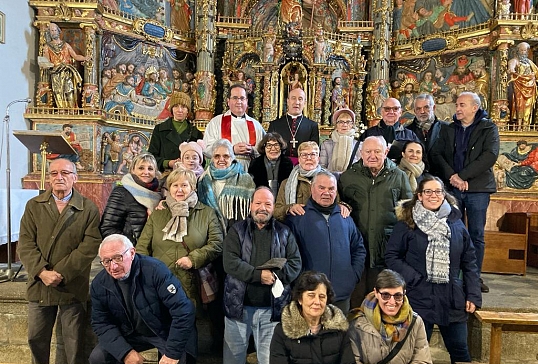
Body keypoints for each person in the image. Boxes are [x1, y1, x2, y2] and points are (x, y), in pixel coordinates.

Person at [385, 176, 481, 363]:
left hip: (452, 297)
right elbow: (392, 257)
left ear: (444, 194)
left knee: (460, 350)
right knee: (416, 353)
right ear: (419, 196)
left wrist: (473, 294)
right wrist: (414, 278)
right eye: (428, 191)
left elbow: (469, 261)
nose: (433, 195)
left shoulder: (456, 222)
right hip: (418, 296)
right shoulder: (407, 223)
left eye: (438, 191)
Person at [18, 158, 101, 364]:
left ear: (75, 177)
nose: (59, 177)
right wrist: (42, 272)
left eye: (65, 173)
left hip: (71, 285)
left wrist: (60, 273)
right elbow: (25, 243)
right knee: (36, 338)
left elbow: (89, 245)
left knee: (73, 343)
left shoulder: (88, 208)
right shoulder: (34, 206)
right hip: (40, 284)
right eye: (54, 173)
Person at [222, 187, 302, 364]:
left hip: (271, 312)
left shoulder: (285, 232)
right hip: (238, 309)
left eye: (268, 204)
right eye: (258, 203)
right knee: (233, 360)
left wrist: (275, 277)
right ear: (251, 205)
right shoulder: (236, 231)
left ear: (274, 207)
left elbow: (295, 263)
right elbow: (230, 263)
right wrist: (258, 276)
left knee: (269, 360)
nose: (262, 208)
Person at [89, 234, 197, 364]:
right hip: (129, 333)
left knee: (179, 360)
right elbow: (102, 324)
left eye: (118, 258)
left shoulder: (155, 271)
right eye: (106, 261)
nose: (113, 267)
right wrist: (125, 352)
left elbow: (183, 311)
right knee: (98, 358)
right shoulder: (99, 284)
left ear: (132, 253)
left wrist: (172, 354)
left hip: (163, 330)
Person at [431, 91, 499, 293]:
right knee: (453, 232)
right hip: (453, 188)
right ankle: (453, 275)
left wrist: (464, 177)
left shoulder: (488, 128)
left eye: (462, 105)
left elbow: (490, 155)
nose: (457, 109)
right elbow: (437, 153)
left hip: (477, 188)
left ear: (474, 107)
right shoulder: (449, 129)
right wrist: (453, 176)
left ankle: (474, 277)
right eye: (457, 105)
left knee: (476, 233)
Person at [339, 136, 412, 307]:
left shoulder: (399, 176)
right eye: (368, 151)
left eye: (377, 151)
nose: (373, 155)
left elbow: (409, 211)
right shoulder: (348, 177)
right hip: (357, 249)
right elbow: (340, 205)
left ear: (385, 152)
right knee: (357, 299)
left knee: (384, 297)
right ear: (361, 153)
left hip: (386, 248)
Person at [137, 168, 223, 307]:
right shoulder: (158, 213)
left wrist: (193, 259)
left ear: (193, 188)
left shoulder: (206, 213)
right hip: (160, 281)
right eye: (175, 185)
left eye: (184, 185)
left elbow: (217, 244)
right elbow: (142, 247)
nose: (179, 190)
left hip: (192, 284)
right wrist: (147, 274)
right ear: (169, 188)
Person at [286, 171, 366, 313]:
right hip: (309, 296)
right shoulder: (297, 218)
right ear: (312, 188)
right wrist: (299, 282)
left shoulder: (345, 217)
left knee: (339, 335)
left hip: (341, 296)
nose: (326, 193)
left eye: (331, 189)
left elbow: (358, 248)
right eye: (321, 188)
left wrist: (352, 276)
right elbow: (289, 256)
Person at [348, 269, 432, 364]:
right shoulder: (357, 323)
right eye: (385, 295)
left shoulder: (415, 322)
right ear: (376, 292)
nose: (392, 302)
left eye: (398, 296)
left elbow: (422, 360)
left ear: (404, 294)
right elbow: (353, 360)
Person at [270, 271, 355, 364]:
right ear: (300, 299)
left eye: (322, 296)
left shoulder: (340, 328)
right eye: (311, 295)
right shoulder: (282, 331)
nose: (317, 302)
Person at [274, 141, 351, 222]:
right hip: (296, 229)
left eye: (313, 155)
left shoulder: (330, 180)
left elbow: (337, 203)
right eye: (304, 155)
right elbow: (276, 212)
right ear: (299, 159)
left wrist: (343, 206)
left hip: (323, 227)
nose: (309, 158)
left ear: (318, 159)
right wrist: (289, 208)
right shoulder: (286, 183)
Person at [100, 152, 162, 245]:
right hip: (133, 252)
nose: (146, 172)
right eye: (141, 168)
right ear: (133, 170)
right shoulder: (122, 192)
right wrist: (131, 246)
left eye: (150, 169)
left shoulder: (159, 195)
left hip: (155, 250)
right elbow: (107, 228)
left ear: (155, 172)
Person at [198, 138, 256, 231]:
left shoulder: (246, 179)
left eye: (226, 156)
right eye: (217, 156)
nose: (221, 159)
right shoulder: (203, 179)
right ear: (212, 159)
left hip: (237, 232)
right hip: (210, 231)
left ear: (232, 158)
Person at [203, 84, 266, 171]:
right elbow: (206, 148)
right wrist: (231, 149)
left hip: (249, 170)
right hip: (223, 170)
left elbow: (264, 150)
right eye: (235, 98)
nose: (239, 101)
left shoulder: (256, 125)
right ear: (228, 101)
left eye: (242, 98)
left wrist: (252, 150)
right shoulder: (216, 122)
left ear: (246, 101)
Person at [148, 91, 203, 172]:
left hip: (188, 178)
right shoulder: (160, 129)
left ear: (188, 110)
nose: (179, 110)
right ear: (171, 109)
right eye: (176, 106)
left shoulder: (195, 133)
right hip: (165, 176)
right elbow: (151, 157)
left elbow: (202, 161)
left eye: (183, 107)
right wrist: (168, 163)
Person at [40, 23, 87, 108]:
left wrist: (85, 58)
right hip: (56, 72)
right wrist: (45, 63)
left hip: (66, 72)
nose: (54, 32)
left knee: (69, 90)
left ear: (58, 31)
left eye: (55, 30)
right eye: (52, 31)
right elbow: (46, 59)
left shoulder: (65, 45)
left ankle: (72, 109)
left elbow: (75, 56)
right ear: (50, 33)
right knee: (58, 91)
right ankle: (61, 109)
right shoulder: (47, 46)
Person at [268, 88, 320, 164]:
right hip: (279, 166)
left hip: (304, 166)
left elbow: (314, 152)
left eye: (300, 99)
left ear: (305, 103)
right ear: (288, 101)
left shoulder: (312, 126)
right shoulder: (275, 125)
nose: (297, 102)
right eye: (293, 98)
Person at [405, 94, 446, 175]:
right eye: (418, 109)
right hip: (417, 178)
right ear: (414, 111)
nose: (422, 111)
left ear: (433, 108)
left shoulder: (447, 128)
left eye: (426, 107)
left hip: (443, 178)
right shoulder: (406, 131)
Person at [248, 132, 294, 197]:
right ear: (264, 148)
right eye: (269, 145)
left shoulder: (288, 163)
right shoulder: (255, 163)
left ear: (281, 146)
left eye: (276, 145)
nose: (273, 149)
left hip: (283, 200)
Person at [320, 108, 359, 179]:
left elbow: (361, 168)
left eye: (348, 122)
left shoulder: (359, 145)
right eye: (341, 122)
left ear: (352, 125)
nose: (344, 125)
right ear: (336, 125)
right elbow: (322, 167)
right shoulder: (326, 144)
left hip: (352, 181)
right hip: (330, 180)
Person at [508, 42, 538, 129]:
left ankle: (526, 125)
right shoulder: (514, 60)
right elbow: (511, 67)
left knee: (529, 105)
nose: (523, 52)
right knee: (520, 105)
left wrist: (533, 75)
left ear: (527, 52)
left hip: (530, 86)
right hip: (519, 85)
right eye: (521, 50)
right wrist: (511, 70)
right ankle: (519, 125)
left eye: (525, 50)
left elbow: (537, 72)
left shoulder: (530, 62)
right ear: (518, 51)